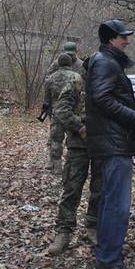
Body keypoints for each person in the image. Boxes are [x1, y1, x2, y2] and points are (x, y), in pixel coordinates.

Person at [86, 19, 135, 269]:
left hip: (112, 141)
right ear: (111, 39)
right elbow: (101, 98)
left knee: (109, 200)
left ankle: (107, 254)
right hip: (113, 143)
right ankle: (109, 260)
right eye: (123, 37)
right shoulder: (105, 62)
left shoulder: (106, 61)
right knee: (117, 204)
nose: (127, 41)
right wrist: (131, 117)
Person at [47, 53, 101, 255]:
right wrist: (81, 127)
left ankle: (93, 226)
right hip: (79, 146)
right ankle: (63, 231)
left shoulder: (108, 84)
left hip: (103, 146)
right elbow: (60, 110)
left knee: (99, 189)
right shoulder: (76, 83)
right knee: (71, 188)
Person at [44, 42, 84, 172]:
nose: (70, 56)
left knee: (65, 138)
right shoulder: (56, 65)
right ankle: (55, 161)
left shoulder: (81, 66)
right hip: (64, 109)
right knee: (56, 137)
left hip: (70, 110)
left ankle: (62, 165)